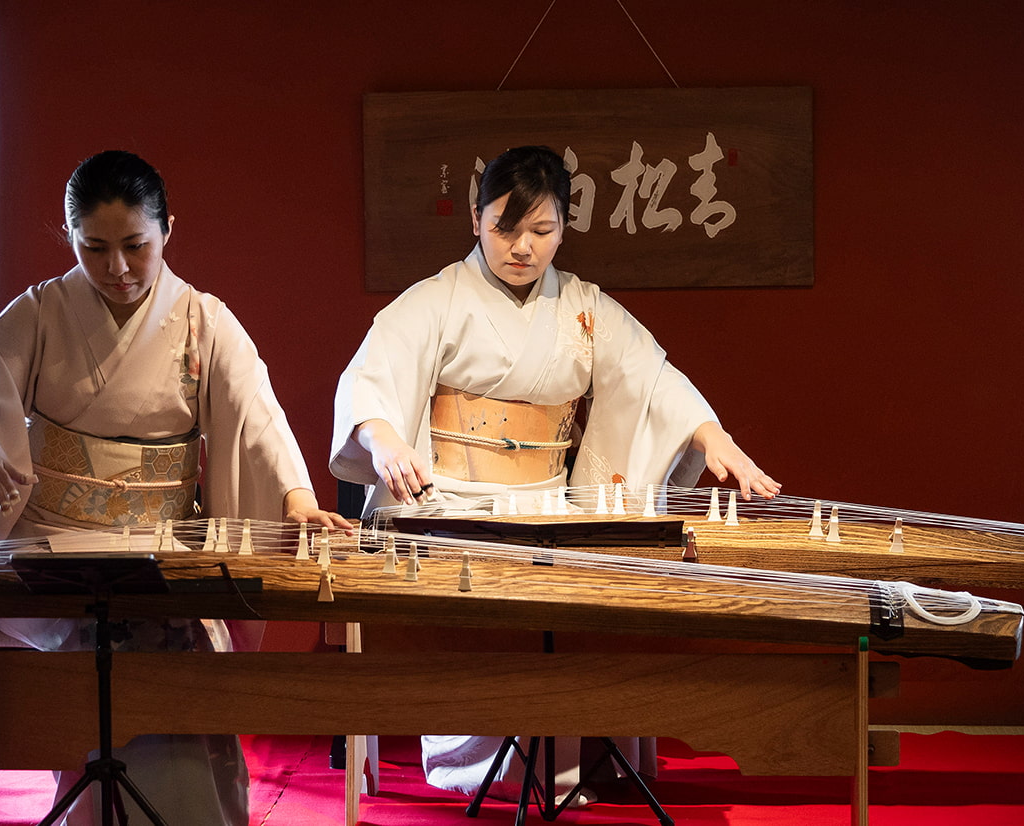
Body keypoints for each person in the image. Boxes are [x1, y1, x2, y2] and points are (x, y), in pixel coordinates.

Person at [330, 145, 781, 802]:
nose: (523, 248)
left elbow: (649, 378)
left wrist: (711, 435)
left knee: (605, 577)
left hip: (545, 502)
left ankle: (567, 753)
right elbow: (368, 383)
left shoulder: (583, 305)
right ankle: (486, 764)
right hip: (449, 501)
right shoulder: (434, 301)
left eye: (542, 231)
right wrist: (385, 442)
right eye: (506, 228)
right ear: (474, 221)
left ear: (564, 228)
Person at [0, 149, 350, 825]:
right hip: (60, 546)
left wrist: (297, 501)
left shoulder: (203, 319)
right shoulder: (41, 313)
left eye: (136, 246)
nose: (117, 269)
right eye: (93, 248)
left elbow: (257, 414)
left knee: (182, 672)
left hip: (166, 546)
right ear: (70, 237)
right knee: (91, 675)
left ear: (168, 231)